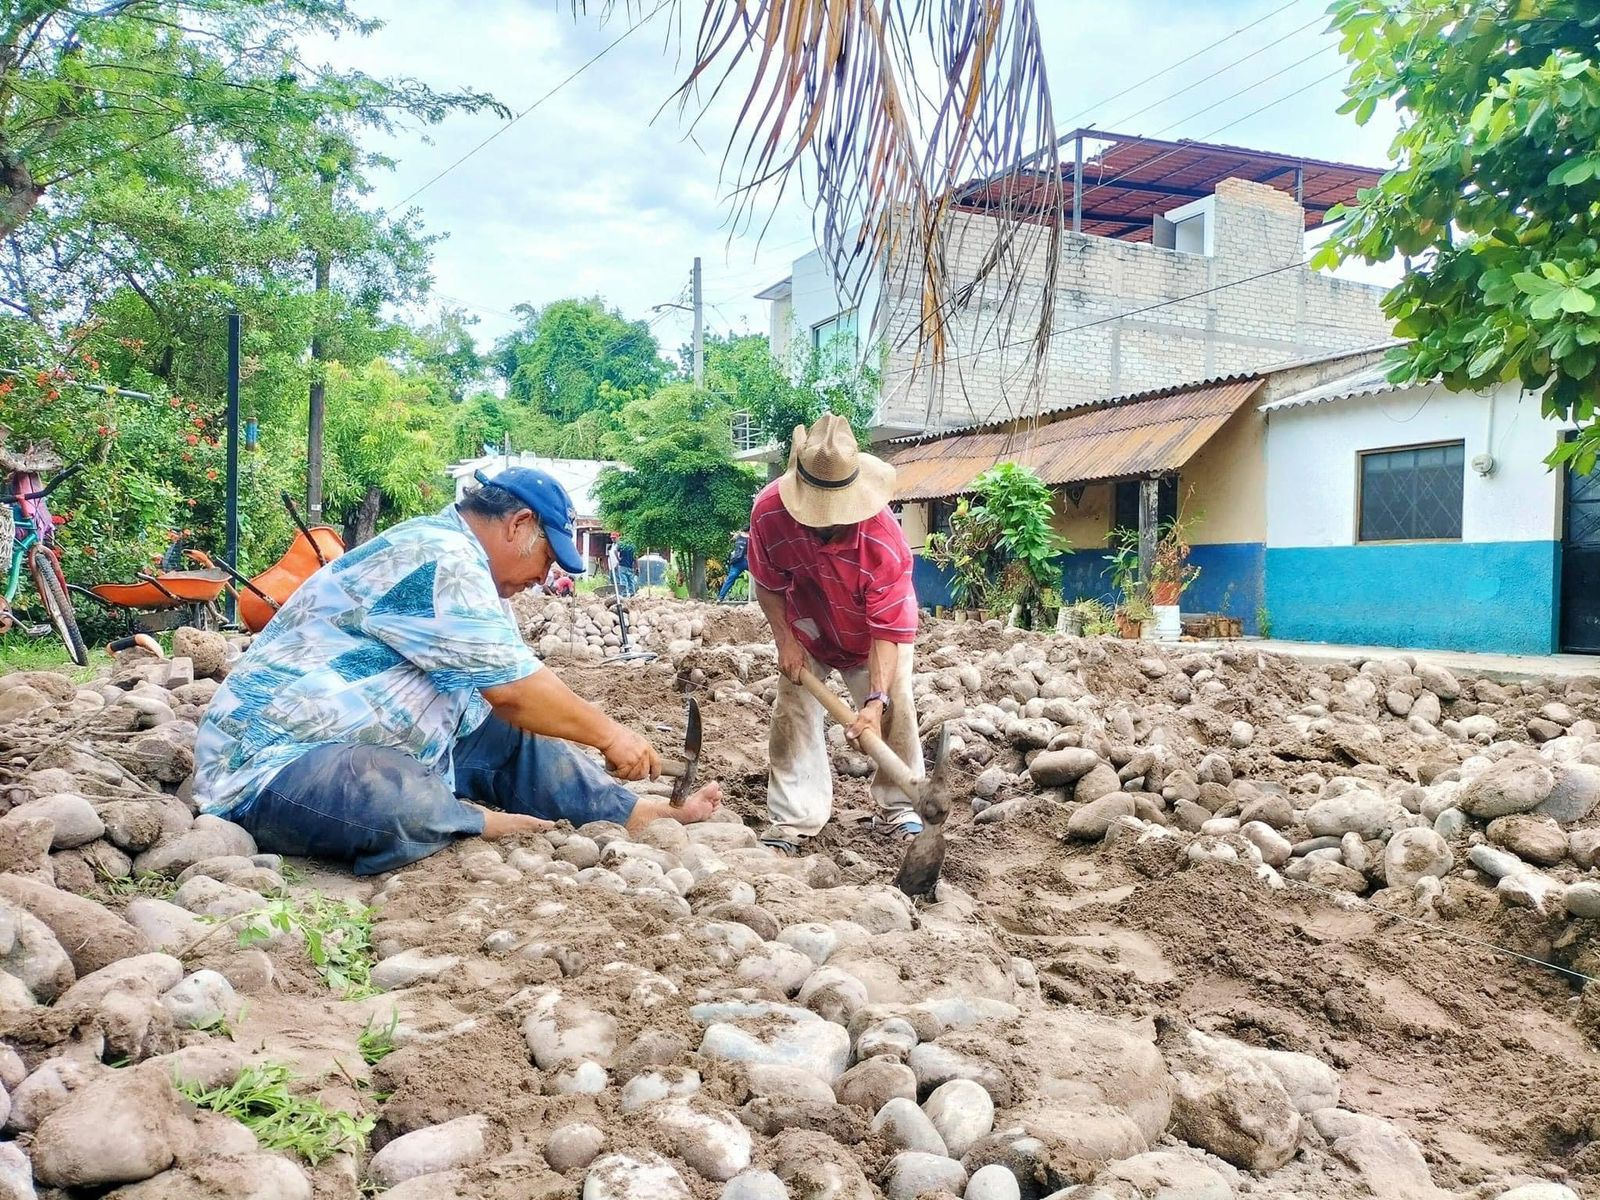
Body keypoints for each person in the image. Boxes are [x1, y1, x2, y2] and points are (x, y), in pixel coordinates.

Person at [192, 468, 722, 876]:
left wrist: (598, 739)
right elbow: (515, 690)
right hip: (278, 764)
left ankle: (627, 812)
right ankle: (473, 823)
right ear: (519, 526)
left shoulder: (468, 566)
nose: (543, 579)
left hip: (399, 736)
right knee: (382, 789)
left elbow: (518, 697)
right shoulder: (441, 559)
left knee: (517, 740)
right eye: (547, 560)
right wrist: (610, 735)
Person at [747, 414, 922, 855]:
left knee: (895, 706)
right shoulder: (769, 513)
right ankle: (794, 816)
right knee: (794, 706)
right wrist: (786, 640)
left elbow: (887, 629)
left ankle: (901, 805)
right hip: (806, 623)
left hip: (870, 635)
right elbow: (767, 582)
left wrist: (874, 700)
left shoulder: (884, 541)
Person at [717, 528, 750, 603]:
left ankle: (720, 598)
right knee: (759, 577)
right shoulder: (751, 537)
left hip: (737, 562)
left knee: (730, 579)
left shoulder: (739, 536)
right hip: (747, 561)